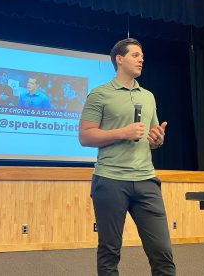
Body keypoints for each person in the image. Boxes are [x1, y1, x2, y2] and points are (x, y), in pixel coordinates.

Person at [79, 38, 176, 276]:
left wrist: (157, 140)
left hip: (146, 181)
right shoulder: (100, 94)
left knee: (162, 252)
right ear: (119, 59)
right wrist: (121, 133)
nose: (141, 59)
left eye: (142, 55)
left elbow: (152, 136)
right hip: (110, 181)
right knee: (110, 251)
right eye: (135, 55)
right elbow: (85, 136)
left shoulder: (149, 96)